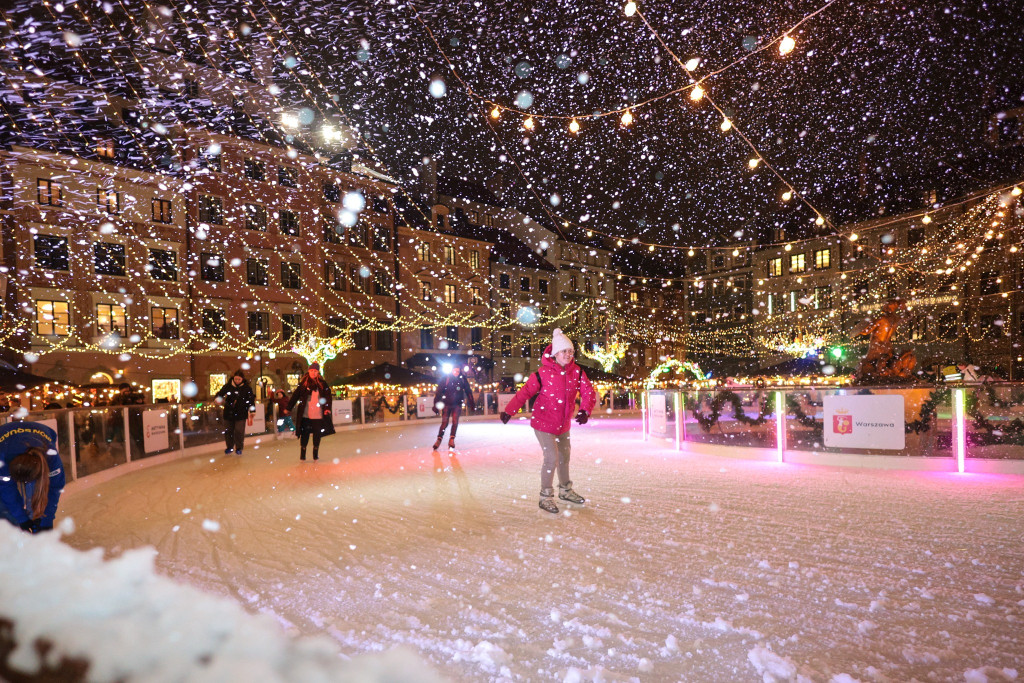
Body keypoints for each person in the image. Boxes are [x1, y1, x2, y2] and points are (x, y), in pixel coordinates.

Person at [500, 328, 596, 514]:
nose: (568, 354)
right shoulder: (542, 373)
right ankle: (545, 496)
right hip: (543, 423)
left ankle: (566, 490)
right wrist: (510, 410)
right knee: (552, 457)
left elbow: (588, 392)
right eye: (564, 351)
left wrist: (585, 410)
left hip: (563, 424)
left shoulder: (577, 372)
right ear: (555, 353)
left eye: (570, 351)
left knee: (565, 457)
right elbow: (525, 392)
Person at [0, 421, 65, 533]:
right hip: (5, 441)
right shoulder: (2, 458)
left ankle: (36, 525)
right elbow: (6, 489)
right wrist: (21, 519)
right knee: (4, 503)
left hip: (44, 434)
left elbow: (55, 488)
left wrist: (46, 521)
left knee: (35, 492)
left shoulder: (51, 457)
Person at [287, 363, 334, 461]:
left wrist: (327, 408)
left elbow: (327, 396)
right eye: (312, 370)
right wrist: (288, 408)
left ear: (318, 372)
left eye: (315, 371)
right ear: (308, 371)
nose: (313, 373)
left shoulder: (322, 383)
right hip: (305, 414)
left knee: (317, 434)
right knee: (305, 433)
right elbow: (295, 396)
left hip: (318, 414)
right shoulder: (303, 384)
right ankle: (303, 453)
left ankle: (315, 453)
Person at [431, 365, 475, 450]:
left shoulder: (462, 379)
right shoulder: (446, 378)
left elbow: (468, 391)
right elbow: (439, 392)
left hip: (457, 404)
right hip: (447, 404)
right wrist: (435, 404)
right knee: (444, 423)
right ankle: (439, 439)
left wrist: (472, 403)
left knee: (455, 422)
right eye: (455, 371)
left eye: (458, 371)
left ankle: (451, 439)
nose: (456, 373)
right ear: (451, 371)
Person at [215, 370, 255, 455]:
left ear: (242, 379)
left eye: (239, 379)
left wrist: (252, 410)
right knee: (228, 431)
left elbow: (251, 400)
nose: (237, 381)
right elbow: (220, 393)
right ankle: (229, 447)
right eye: (236, 379)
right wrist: (218, 398)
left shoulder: (247, 388)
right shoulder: (228, 386)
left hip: (241, 412)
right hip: (229, 412)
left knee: (239, 431)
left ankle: (239, 448)